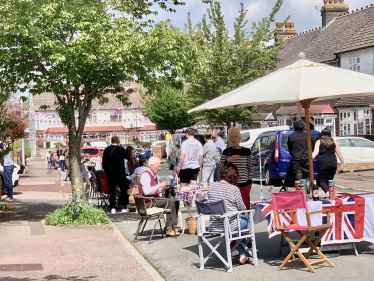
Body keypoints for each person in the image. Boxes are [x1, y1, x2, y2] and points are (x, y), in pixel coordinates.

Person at [208, 163, 251, 265]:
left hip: (215, 226)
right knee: (247, 217)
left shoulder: (212, 186)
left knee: (245, 221)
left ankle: (242, 254)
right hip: (231, 226)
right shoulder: (234, 189)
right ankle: (242, 254)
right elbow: (242, 208)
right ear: (234, 176)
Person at [138, 157, 180, 236]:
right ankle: (169, 229)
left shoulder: (155, 176)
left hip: (153, 200)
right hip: (146, 203)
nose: (160, 168)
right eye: (158, 166)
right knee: (170, 202)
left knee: (176, 201)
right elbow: (146, 191)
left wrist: (164, 187)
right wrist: (159, 185)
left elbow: (158, 192)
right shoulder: (146, 175)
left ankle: (171, 225)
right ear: (152, 166)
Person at [219, 127, 253, 210]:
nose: (234, 139)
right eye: (231, 137)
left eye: (236, 136)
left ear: (239, 137)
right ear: (229, 139)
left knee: (245, 207)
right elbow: (220, 168)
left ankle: (246, 222)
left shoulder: (246, 151)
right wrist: (228, 160)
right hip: (230, 184)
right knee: (232, 208)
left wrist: (249, 182)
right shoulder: (226, 152)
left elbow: (250, 167)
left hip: (244, 184)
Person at [312, 128, 346, 193]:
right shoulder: (334, 141)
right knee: (330, 180)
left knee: (321, 181)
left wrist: (309, 159)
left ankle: (328, 192)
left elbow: (315, 153)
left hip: (323, 163)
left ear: (322, 134)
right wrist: (343, 162)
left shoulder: (319, 141)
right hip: (333, 162)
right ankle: (331, 194)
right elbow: (339, 153)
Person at [102, 136, 130, 214]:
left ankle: (112, 207)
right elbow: (128, 156)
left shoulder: (106, 149)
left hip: (110, 172)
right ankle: (123, 206)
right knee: (123, 189)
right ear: (117, 141)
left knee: (112, 190)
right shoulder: (120, 149)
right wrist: (123, 148)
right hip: (120, 171)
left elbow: (104, 162)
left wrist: (107, 171)